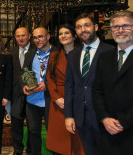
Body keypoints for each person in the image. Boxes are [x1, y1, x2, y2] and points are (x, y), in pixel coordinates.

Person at [64, 13, 113, 155]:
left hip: (104, 116)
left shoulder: (110, 51)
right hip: (81, 116)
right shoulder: (73, 55)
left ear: (96, 27)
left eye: (87, 25)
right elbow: (69, 86)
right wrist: (68, 115)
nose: (83, 30)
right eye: (79, 27)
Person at [92, 10, 133, 154]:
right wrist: (104, 118)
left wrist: (124, 122)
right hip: (108, 130)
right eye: (116, 27)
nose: (120, 30)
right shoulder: (104, 57)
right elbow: (97, 90)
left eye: (126, 26)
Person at [46, 24, 85, 155]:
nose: (63, 36)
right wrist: (56, 98)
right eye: (61, 34)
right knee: (59, 139)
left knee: (78, 139)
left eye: (67, 33)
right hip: (59, 102)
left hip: (78, 99)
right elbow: (49, 79)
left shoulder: (83, 54)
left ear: (74, 36)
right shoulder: (54, 56)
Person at [22, 27, 54, 155]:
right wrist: (24, 85)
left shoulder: (57, 53)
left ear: (48, 36)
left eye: (41, 36)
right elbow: (24, 73)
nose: (38, 40)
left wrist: (46, 85)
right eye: (35, 37)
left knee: (52, 132)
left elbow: (62, 77)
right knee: (33, 132)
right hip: (32, 100)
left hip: (50, 100)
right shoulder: (30, 54)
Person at [9, 27, 35, 155]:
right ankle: (17, 150)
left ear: (29, 36)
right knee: (16, 125)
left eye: (23, 35)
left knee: (32, 125)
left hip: (32, 93)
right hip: (16, 94)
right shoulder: (11, 52)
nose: (20, 38)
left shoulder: (36, 51)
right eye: (18, 36)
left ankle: (30, 150)